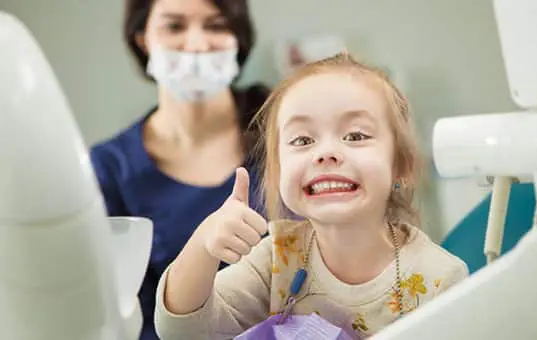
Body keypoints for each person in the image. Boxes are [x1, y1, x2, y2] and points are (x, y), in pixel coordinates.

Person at [154, 53, 469, 339]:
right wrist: (203, 245)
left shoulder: (441, 279)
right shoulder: (278, 257)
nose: (326, 153)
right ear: (278, 173)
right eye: (303, 140)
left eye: (355, 136)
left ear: (401, 166)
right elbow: (184, 333)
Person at [89, 0, 269, 339]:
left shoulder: (285, 133)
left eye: (216, 26)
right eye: (174, 26)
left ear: (238, 38)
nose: (197, 45)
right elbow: (124, 315)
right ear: (143, 39)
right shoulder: (110, 169)